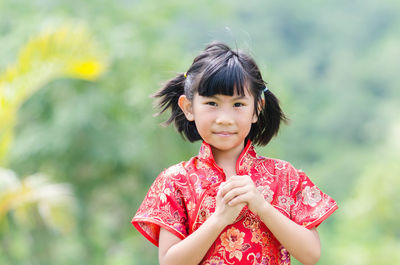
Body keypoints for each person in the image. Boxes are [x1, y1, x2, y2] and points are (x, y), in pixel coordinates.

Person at [132, 42, 338, 265]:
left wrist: (262, 206)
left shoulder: (284, 176)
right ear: (189, 108)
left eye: (238, 104)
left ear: (257, 109)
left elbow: (311, 254)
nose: (225, 118)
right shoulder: (175, 181)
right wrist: (220, 219)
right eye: (212, 103)